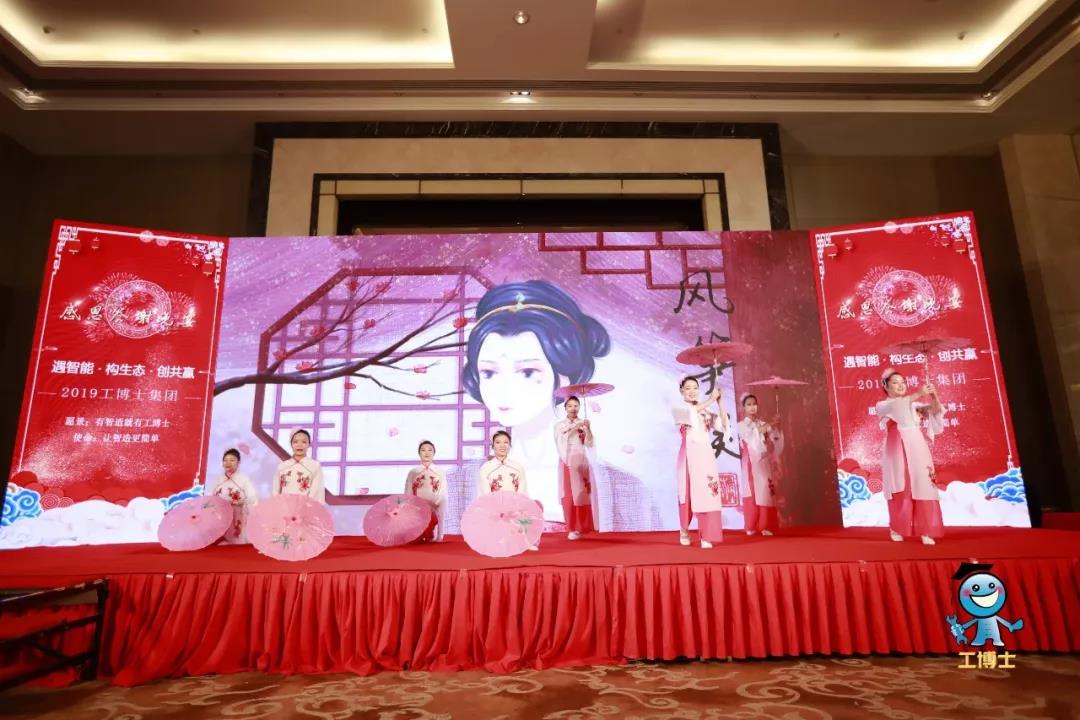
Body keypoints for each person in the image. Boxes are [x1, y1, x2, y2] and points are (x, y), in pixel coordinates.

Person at [461, 281, 611, 530]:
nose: (504, 389)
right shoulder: (460, 483)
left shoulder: (624, 488)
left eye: (527, 372)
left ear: (563, 375)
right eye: (489, 373)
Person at [875, 368, 946, 545]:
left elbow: (935, 411)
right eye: (895, 383)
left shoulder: (913, 405)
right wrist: (919, 393)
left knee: (923, 484)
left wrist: (934, 396)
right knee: (902, 486)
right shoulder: (883, 405)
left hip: (917, 446)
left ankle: (926, 529)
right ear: (886, 386)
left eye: (903, 382)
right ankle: (897, 527)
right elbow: (898, 407)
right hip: (897, 449)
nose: (900, 385)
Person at [672, 376, 730, 548]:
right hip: (688, 457)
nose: (692, 391)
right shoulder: (679, 409)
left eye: (695, 388)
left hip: (705, 457)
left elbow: (723, 426)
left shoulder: (705, 411)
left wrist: (720, 402)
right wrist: (711, 399)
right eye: (688, 388)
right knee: (688, 494)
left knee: (708, 494)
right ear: (681, 391)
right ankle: (684, 529)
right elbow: (691, 413)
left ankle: (707, 535)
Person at [478, 430, 539, 550]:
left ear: (510, 446)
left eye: (506, 442)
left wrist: (517, 505)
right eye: (498, 442)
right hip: (495, 508)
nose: (502, 445)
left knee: (528, 510)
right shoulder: (486, 468)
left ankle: (524, 541)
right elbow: (485, 494)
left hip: (515, 506)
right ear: (492, 446)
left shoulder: (517, 467)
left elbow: (522, 490)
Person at [553, 395, 599, 539]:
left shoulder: (582, 423)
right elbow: (561, 439)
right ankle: (572, 528)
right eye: (570, 406)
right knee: (569, 494)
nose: (573, 408)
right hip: (567, 460)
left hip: (581, 460)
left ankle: (582, 527)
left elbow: (589, 443)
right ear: (565, 408)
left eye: (576, 405)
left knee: (582, 494)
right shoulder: (560, 425)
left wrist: (588, 429)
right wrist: (577, 426)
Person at [737, 393, 782, 536]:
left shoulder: (762, 423)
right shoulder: (741, 425)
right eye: (749, 404)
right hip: (751, 463)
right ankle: (751, 526)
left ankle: (766, 526)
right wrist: (766, 428)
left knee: (765, 491)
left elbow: (775, 440)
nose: (752, 407)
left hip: (764, 463)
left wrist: (776, 427)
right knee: (753, 492)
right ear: (744, 407)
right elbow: (751, 438)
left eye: (754, 404)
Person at [208, 448, 258, 544]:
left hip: (237, 516)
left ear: (238, 462)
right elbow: (209, 496)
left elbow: (252, 498)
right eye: (225, 460)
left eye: (232, 460)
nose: (228, 463)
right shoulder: (218, 480)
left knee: (236, 542)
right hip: (221, 516)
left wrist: (240, 502)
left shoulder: (243, 479)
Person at [405, 440, 447, 542]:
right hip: (418, 504)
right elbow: (408, 490)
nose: (426, 453)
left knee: (440, 514)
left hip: (436, 502)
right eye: (423, 450)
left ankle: (439, 535)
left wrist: (437, 501)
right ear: (419, 453)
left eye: (430, 450)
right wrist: (409, 503)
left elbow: (443, 488)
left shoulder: (440, 471)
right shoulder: (413, 472)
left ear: (434, 453)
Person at [272, 429, 326, 503]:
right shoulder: (282, 466)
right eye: (295, 442)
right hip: (284, 508)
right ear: (291, 444)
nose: (299, 445)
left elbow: (317, 492)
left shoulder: (315, 466)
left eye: (304, 442)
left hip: (306, 508)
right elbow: (275, 492)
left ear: (309, 444)